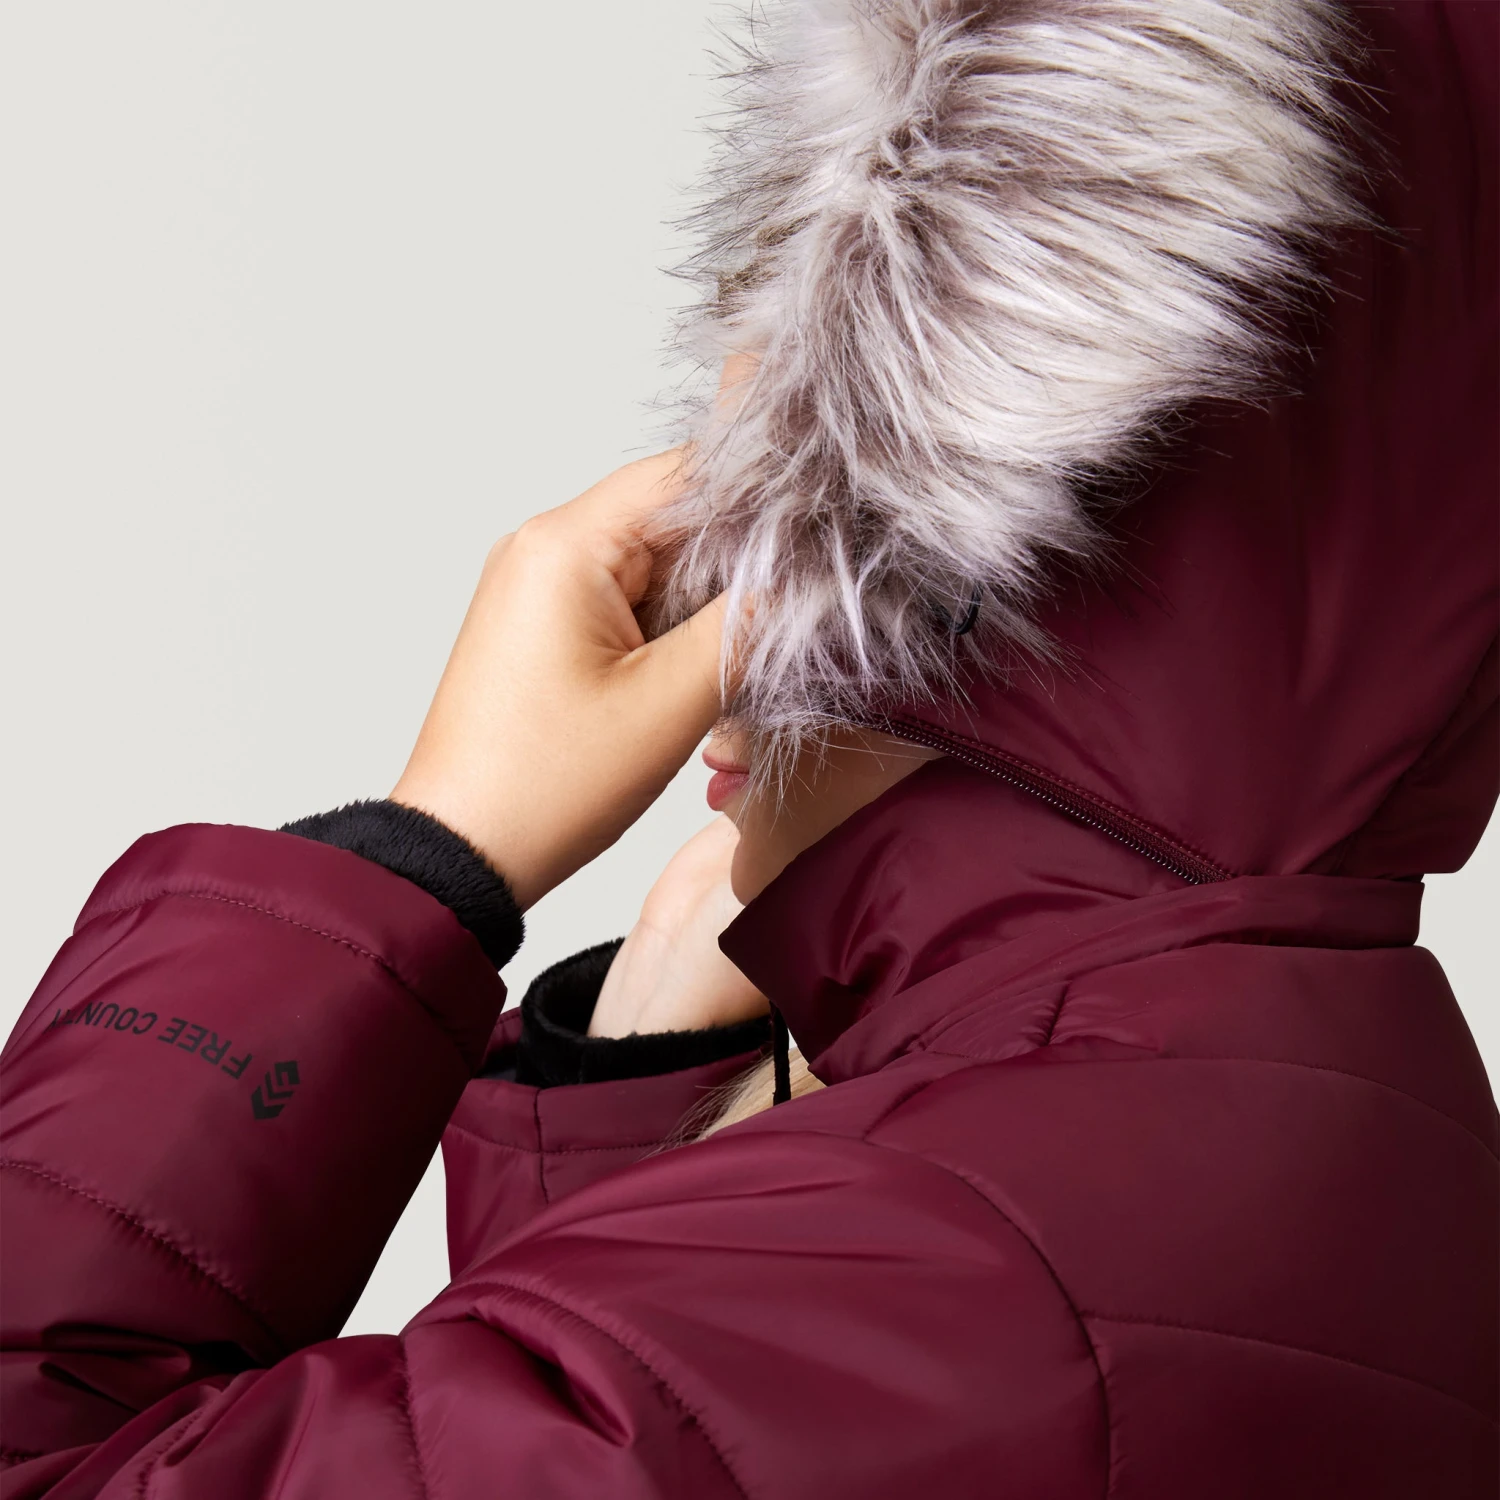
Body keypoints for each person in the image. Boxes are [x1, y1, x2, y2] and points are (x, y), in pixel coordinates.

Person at [2, 1, 1496, 1495]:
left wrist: (432, 845)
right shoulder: (1326, 1127)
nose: (695, 610)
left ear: (1007, 561)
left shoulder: (950, 1263)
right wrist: (642, 1103)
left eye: (789, 511)